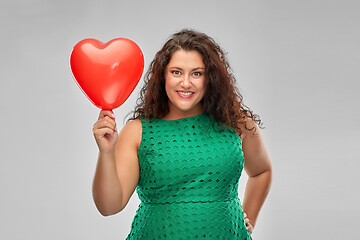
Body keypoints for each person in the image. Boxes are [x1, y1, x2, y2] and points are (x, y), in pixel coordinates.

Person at [92, 29, 272, 239]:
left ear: (211, 78)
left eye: (197, 73)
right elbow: (109, 206)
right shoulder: (138, 131)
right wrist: (106, 152)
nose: (186, 83)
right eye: (176, 72)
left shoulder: (237, 124)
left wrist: (246, 219)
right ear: (162, 76)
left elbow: (261, 172)